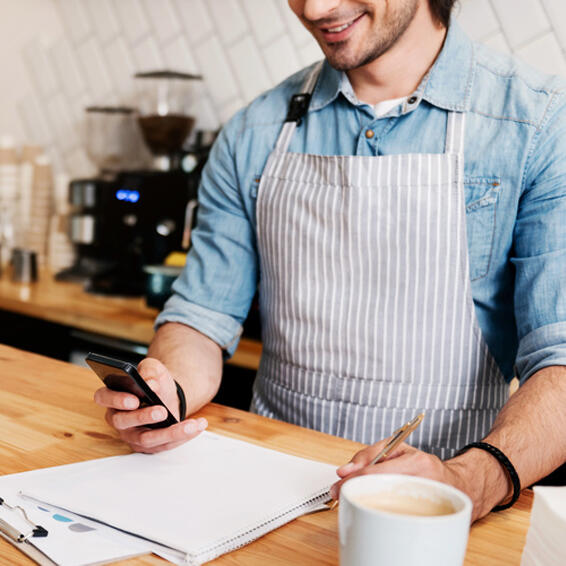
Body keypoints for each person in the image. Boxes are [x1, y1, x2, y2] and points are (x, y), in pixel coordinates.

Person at [95, 0, 566, 522]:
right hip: (266, 501)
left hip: (443, 512)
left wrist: (471, 479)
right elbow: (202, 317)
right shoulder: (255, 131)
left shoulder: (538, 124)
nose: (315, 7)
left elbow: (560, 358)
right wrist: (166, 394)